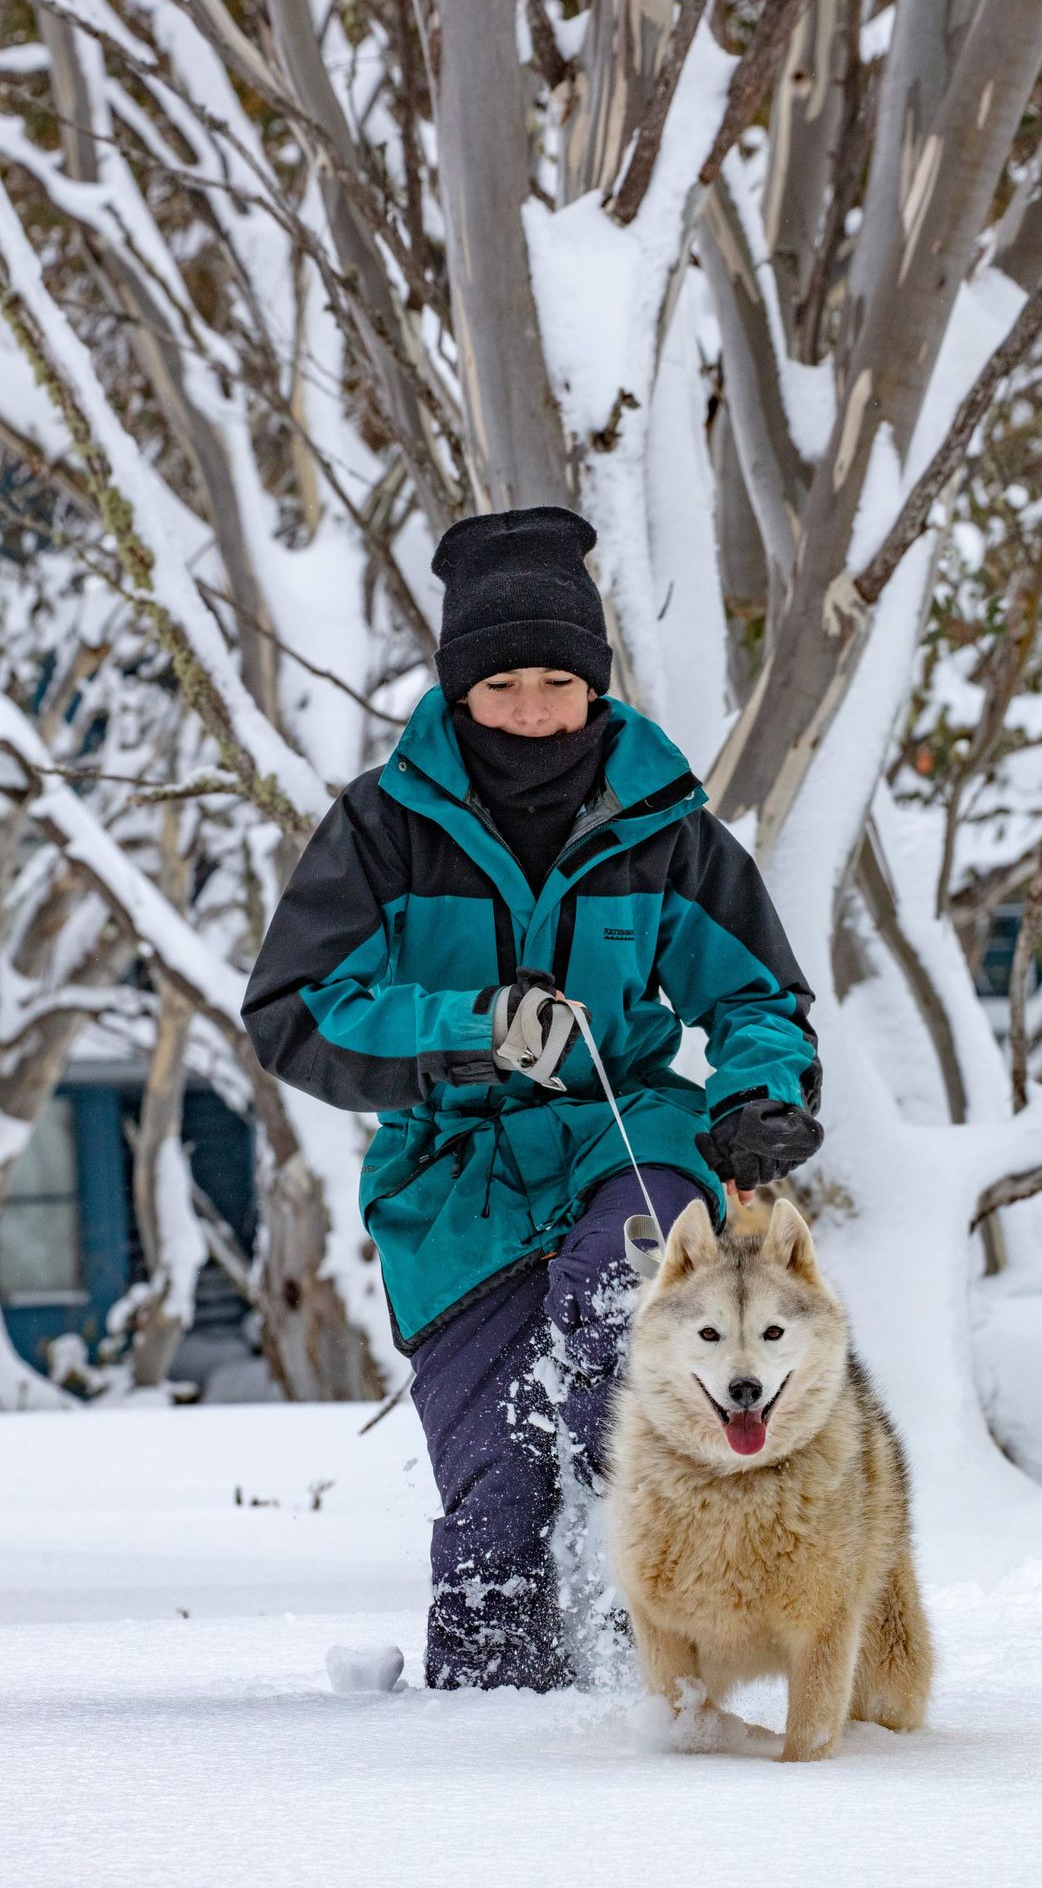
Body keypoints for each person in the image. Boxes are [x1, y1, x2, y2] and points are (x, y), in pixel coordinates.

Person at [242, 505, 823, 1690]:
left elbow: (759, 995)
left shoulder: (664, 825)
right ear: (460, 689)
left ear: (594, 685)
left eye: (557, 680)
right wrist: (465, 1029)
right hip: (451, 1187)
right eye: (501, 684)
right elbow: (296, 1006)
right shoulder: (382, 827)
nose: (531, 710)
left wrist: (761, 1094)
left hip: (632, 1139)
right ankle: (494, 1727)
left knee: (628, 1298)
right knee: (495, 1491)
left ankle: (660, 1646)